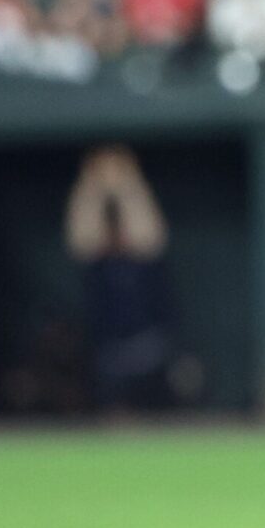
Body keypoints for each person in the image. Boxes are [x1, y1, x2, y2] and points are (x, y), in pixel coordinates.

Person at [65, 144, 178, 413]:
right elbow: (82, 241)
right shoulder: (98, 261)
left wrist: (129, 183)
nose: (117, 233)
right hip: (109, 351)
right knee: (114, 408)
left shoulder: (143, 259)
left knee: (155, 410)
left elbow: (149, 237)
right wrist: (92, 183)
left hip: (149, 347)